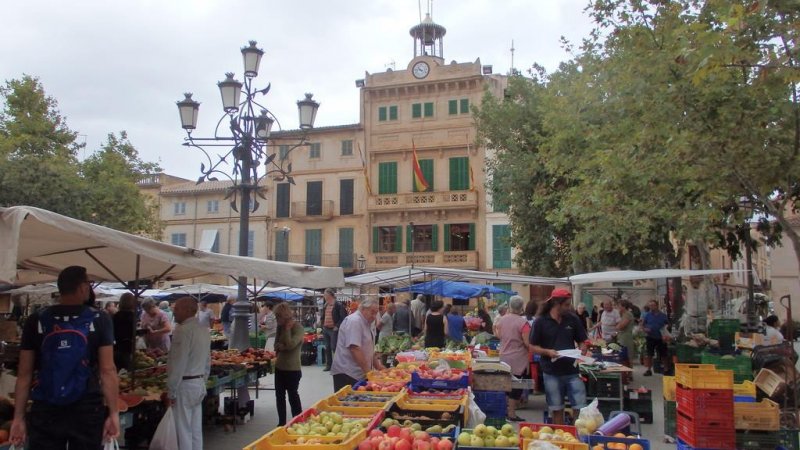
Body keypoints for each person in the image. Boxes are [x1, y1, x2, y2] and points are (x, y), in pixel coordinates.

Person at [10, 265, 119, 448]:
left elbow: (24, 373)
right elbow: (108, 370)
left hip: (46, 406)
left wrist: (18, 417)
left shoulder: (36, 320)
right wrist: (113, 413)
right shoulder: (100, 319)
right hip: (86, 407)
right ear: (83, 287)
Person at [529, 288, 588, 425]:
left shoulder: (572, 319)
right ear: (556, 303)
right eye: (566, 305)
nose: (569, 307)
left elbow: (581, 340)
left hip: (572, 371)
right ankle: (560, 432)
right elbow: (532, 347)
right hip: (551, 372)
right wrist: (547, 352)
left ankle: (577, 431)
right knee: (556, 407)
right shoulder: (541, 321)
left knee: (580, 406)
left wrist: (583, 347)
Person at [166, 297, 211, 450]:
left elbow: (178, 363)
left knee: (183, 430)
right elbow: (207, 361)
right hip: (198, 383)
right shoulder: (203, 330)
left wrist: (171, 391)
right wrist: (203, 380)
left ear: (187, 310)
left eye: (177, 308)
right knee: (195, 429)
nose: (174, 312)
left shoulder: (182, 331)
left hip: (185, 385)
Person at [331, 298, 385, 391]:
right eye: (372, 312)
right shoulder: (354, 321)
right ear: (363, 309)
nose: (374, 316)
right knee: (349, 399)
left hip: (359, 373)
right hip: (348, 373)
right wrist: (369, 373)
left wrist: (378, 367)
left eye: (376, 313)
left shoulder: (367, 323)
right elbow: (355, 348)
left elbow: (369, 349)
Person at [495, 296, 530, 421]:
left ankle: (505, 412)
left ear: (510, 306)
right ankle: (511, 414)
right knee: (516, 387)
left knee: (506, 385)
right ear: (521, 307)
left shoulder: (501, 320)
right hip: (518, 359)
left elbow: (499, 335)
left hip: (504, 357)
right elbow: (527, 343)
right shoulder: (523, 323)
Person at [272, 302, 304, 425]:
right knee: (279, 396)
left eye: (278, 317)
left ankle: (298, 421)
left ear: (284, 316)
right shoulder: (279, 327)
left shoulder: (298, 328)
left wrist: (287, 330)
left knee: (293, 395)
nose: (276, 319)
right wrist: (281, 346)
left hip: (293, 369)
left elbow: (291, 345)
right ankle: (281, 423)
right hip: (280, 367)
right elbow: (276, 345)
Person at [321, 288, 347, 372]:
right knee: (327, 347)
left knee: (334, 347)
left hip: (333, 330)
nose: (324, 296)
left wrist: (337, 326)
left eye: (325, 295)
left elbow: (343, 317)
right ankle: (329, 365)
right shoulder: (326, 305)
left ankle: (338, 365)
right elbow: (323, 316)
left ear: (330, 295)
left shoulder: (338, 305)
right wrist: (322, 325)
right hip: (326, 328)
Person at [642, 300, 669, 376]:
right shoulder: (647, 315)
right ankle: (648, 370)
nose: (651, 307)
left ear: (657, 306)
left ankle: (666, 369)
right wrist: (645, 329)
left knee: (663, 354)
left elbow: (667, 325)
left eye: (653, 305)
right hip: (650, 337)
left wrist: (666, 333)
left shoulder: (663, 315)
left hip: (661, 337)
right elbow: (642, 325)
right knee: (649, 354)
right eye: (650, 306)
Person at [113, 293, 137, 372]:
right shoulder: (132, 316)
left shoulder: (115, 316)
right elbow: (132, 332)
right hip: (128, 348)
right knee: (128, 371)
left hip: (116, 347)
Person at [615, 300, 636, 368]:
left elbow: (621, 326)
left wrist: (617, 327)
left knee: (627, 354)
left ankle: (629, 371)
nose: (618, 307)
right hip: (622, 336)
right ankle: (626, 371)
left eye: (619, 306)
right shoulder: (623, 314)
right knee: (623, 355)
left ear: (624, 307)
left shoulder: (627, 314)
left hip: (626, 337)